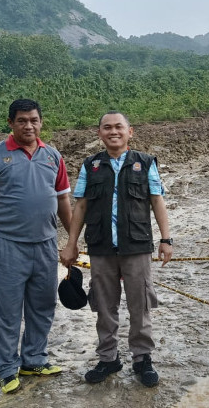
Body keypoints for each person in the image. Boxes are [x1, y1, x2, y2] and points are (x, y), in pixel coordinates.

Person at [60, 111, 172, 388]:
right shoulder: (91, 165)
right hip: (100, 247)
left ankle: (142, 358)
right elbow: (81, 205)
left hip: (136, 245)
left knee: (140, 304)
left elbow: (156, 200)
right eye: (107, 128)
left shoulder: (145, 164)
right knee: (103, 306)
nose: (113, 132)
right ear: (99, 133)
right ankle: (108, 358)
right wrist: (72, 242)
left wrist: (166, 239)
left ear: (129, 132)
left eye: (118, 127)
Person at [0, 99, 72, 394]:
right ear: (11, 123)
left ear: (41, 122)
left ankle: (34, 360)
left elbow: (64, 199)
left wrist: (73, 240)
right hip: (8, 246)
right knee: (8, 310)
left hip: (45, 244)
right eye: (22, 120)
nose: (29, 125)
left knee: (43, 306)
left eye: (34, 120)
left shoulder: (52, 156)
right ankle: (6, 369)